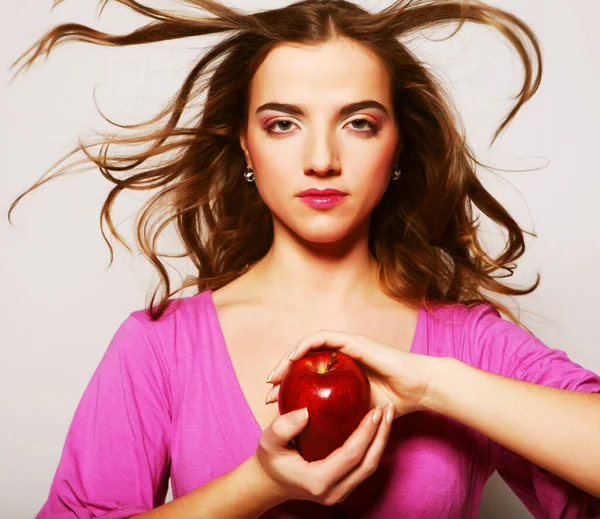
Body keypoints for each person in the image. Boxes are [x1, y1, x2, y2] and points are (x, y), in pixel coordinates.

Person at [8, 0, 600, 517]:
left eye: (359, 123)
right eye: (283, 123)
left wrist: (435, 386)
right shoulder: (161, 348)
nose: (321, 158)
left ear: (399, 148)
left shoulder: (469, 344)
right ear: (245, 142)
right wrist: (256, 485)